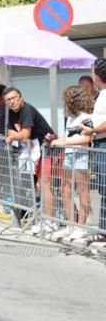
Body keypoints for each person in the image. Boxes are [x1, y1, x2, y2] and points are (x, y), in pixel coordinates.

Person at [3, 86, 56, 234]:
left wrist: (15, 136)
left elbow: (25, 134)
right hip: (30, 151)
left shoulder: (27, 110)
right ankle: (36, 216)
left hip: (47, 149)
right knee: (30, 185)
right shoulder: (11, 113)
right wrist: (15, 135)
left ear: (21, 97)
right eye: (8, 100)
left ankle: (52, 219)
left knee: (42, 186)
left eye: (14, 98)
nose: (12, 102)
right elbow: (9, 130)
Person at [49, 85, 94, 244]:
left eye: (66, 98)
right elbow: (68, 136)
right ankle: (71, 225)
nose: (64, 101)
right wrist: (60, 142)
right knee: (65, 189)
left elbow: (87, 138)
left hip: (81, 155)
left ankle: (81, 226)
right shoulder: (70, 117)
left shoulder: (86, 116)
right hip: (69, 155)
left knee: (82, 191)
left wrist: (63, 141)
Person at [80, 59, 106, 246]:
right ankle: (103, 231)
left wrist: (92, 130)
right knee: (104, 189)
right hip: (99, 143)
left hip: (103, 143)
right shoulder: (102, 95)